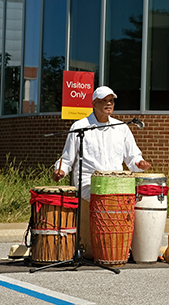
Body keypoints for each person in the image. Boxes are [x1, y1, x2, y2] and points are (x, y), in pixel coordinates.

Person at [52, 86, 151, 258]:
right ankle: (103, 249)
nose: (108, 104)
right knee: (106, 198)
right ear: (94, 104)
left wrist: (139, 163)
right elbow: (67, 159)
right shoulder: (80, 126)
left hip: (116, 182)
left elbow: (132, 155)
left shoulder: (121, 127)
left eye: (111, 101)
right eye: (104, 101)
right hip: (89, 182)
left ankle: (121, 247)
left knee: (131, 199)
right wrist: (60, 170)